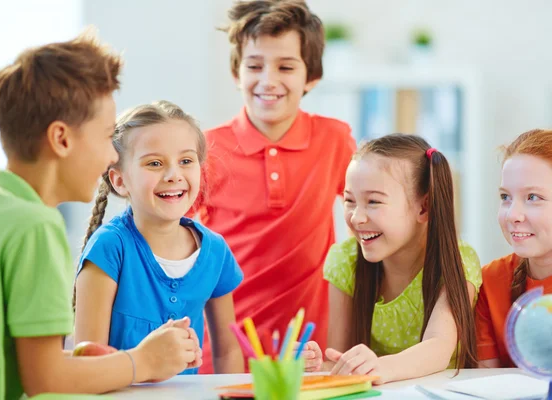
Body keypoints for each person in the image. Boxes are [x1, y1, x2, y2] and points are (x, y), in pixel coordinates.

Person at [0, 31, 200, 399]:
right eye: (104, 137)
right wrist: (141, 362)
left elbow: (23, 363)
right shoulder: (35, 227)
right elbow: (46, 381)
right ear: (62, 140)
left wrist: (86, 362)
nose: (112, 157)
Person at [193, 0, 357, 372]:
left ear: (310, 76)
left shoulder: (334, 140)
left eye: (285, 66)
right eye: (254, 66)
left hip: (307, 353)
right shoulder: (204, 150)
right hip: (221, 355)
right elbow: (175, 244)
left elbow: (365, 219)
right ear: (237, 73)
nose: (268, 80)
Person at [74, 101, 245, 374]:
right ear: (119, 181)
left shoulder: (215, 251)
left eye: (186, 161)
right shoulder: (109, 248)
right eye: (154, 163)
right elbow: (87, 359)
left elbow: (228, 350)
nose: (173, 175)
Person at [303, 134, 482, 384]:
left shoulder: (456, 260)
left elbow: (438, 347)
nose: (356, 218)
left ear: (424, 207)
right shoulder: (345, 261)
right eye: (349, 201)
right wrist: (316, 365)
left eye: (373, 202)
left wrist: (377, 367)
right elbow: (339, 357)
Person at [477, 129, 552, 368]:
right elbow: (487, 383)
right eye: (505, 197)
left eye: (532, 197)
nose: (512, 215)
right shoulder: (489, 281)